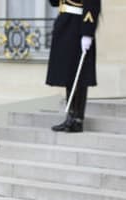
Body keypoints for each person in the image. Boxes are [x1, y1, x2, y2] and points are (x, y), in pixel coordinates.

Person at [47, 0, 100, 132]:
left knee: (79, 74)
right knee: (68, 73)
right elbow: (54, 3)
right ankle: (70, 116)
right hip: (65, 23)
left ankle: (78, 119)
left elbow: (92, 4)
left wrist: (87, 32)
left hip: (78, 26)